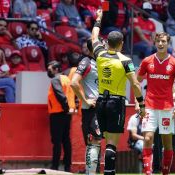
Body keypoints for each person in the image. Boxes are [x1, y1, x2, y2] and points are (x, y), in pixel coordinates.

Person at [91, 9, 146, 175]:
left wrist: (99, 18)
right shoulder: (126, 61)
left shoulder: (99, 54)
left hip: (100, 102)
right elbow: (136, 84)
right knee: (111, 144)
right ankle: (109, 173)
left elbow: (94, 36)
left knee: (105, 141)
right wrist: (141, 104)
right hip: (116, 103)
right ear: (121, 43)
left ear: (107, 42)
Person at [137, 31, 175, 175]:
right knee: (148, 138)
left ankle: (165, 172)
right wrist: (139, 102)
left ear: (168, 44)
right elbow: (137, 82)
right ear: (155, 43)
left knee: (167, 143)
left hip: (167, 109)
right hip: (149, 106)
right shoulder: (147, 61)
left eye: (164, 42)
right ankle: (148, 172)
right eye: (158, 41)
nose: (161, 44)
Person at [70, 39, 102, 175]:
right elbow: (74, 83)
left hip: (102, 108)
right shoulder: (86, 62)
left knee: (97, 142)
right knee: (93, 141)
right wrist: (86, 100)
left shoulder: (102, 62)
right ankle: (91, 172)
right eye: (100, 46)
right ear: (93, 49)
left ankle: (94, 171)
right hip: (91, 109)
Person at [47, 60, 75, 172]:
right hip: (67, 114)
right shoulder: (67, 79)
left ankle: (55, 166)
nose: (48, 71)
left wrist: (65, 107)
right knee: (66, 140)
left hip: (58, 113)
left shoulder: (55, 80)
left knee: (57, 141)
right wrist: (69, 108)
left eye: (50, 69)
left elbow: (60, 95)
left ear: (56, 69)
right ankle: (67, 166)